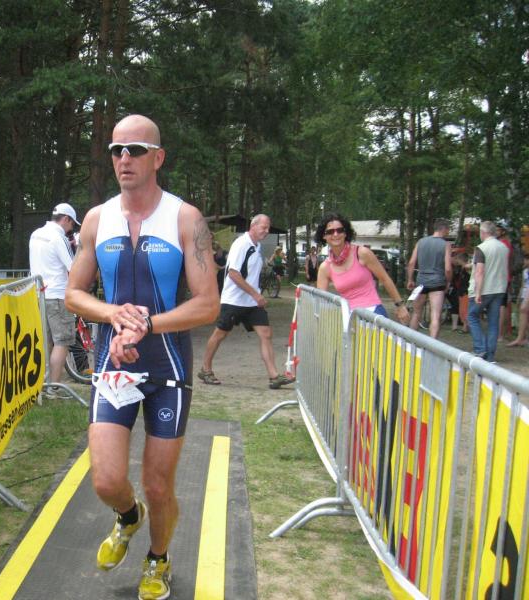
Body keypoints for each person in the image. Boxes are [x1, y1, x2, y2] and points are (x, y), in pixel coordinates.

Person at [65, 114, 218, 600]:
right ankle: (128, 518)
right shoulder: (96, 219)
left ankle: (158, 558)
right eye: (117, 150)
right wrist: (113, 313)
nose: (124, 158)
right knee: (107, 481)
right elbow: (73, 294)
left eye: (135, 149)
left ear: (158, 158)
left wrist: (147, 324)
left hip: (167, 366)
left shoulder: (185, 218)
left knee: (157, 484)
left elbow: (208, 304)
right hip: (114, 365)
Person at [198, 214, 295, 389]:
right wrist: (256, 295)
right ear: (253, 226)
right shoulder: (241, 244)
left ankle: (274, 376)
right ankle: (205, 369)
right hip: (234, 300)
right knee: (220, 334)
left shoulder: (256, 246)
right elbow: (233, 274)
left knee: (265, 333)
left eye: (268, 228)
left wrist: (255, 296)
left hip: (251, 303)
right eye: (263, 227)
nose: (266, 231)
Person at [314, 213, 409, 324]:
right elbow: (321, 299)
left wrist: (400, 306)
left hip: (373, 314)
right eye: (330, 231)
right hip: (349, 319)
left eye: (339, 230)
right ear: (324, 236)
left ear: (345, 233)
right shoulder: (325, 267)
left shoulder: (362, 253)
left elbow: (385, 279)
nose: (335, 234)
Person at [29, 202, 80, 397]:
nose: (70, 229)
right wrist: (79, 248)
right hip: (58, 295)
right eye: (72, 224)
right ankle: (54, 389)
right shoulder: (59, 238)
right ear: (66, 219)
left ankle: (41, 386)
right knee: (62, 342)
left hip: (39, 294)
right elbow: (74, 267)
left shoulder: (36, 234)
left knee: (46, 342)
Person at [467, 221, 509, 362]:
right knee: (493, 322)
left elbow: (479, 271)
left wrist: (478, 292)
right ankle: (490, 355)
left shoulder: (481, 248)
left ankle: (480, 349)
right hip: (499, 288)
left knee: (472, 317)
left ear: (483, 232)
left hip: (484, 289)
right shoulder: (503, 248)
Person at [406, 219, 452, 338]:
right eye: (448, 229)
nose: (448, 232)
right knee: (435, 315)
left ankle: (411, 341)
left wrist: (410, 279)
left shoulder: (421, 242)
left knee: (416, 313)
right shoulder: (446, 245)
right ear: (444, 229)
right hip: (437, 283)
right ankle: (432, 344)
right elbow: (448, 268)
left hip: (421, 282)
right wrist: (448, 282)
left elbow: (411, 263)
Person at [496, 220, 515, 340]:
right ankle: (505, 332)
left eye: (498, 230)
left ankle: (500, 334)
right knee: (504, 305)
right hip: (503, 277)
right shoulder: (505, 243)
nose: (495, 231)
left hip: (501, 278)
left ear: (503, 231)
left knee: (501, 305)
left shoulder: (504, 244)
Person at [507, 255, 529, 347]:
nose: (524, 262)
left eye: (526, 260)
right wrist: (520, 296)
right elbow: (523, 285)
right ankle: (523, 338)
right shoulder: (525, 271)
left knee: (523, 310)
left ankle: (520, 338)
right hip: (525, 293)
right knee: (523, 312)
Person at [449, 252, 470, 334]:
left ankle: (465, 327)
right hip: (461, 291)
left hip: (465, 291)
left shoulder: (467, 268)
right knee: (462, 310)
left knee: (465, 310)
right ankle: (465, 326)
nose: (457, 261)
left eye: (458, 259)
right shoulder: (460, 268)